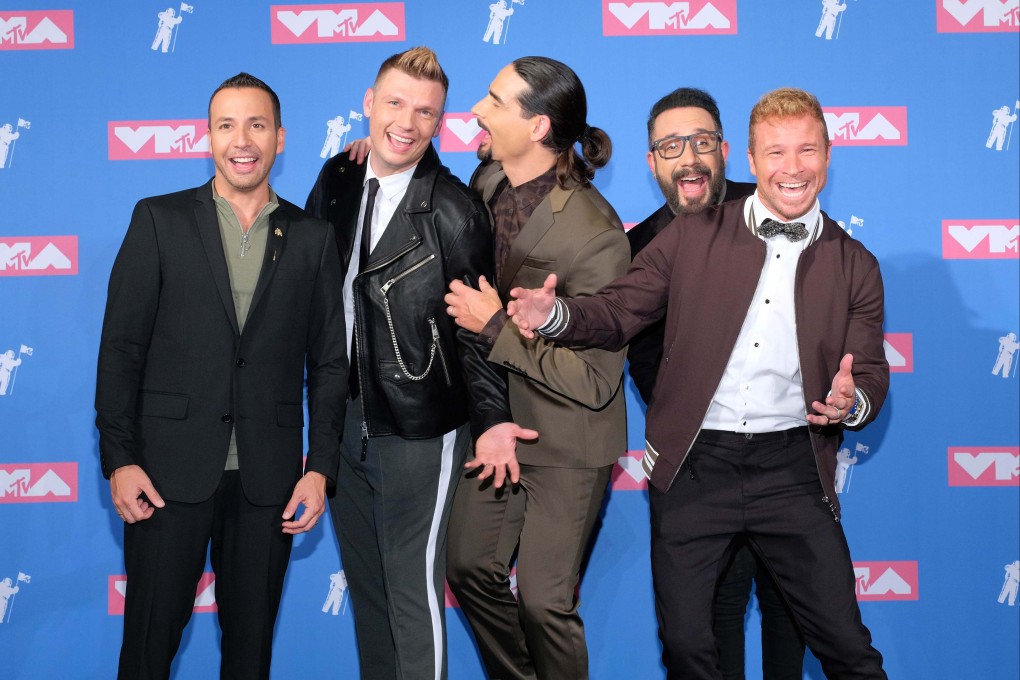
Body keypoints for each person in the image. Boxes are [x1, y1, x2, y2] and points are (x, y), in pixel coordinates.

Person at [506, 87, 890, 680]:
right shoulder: (689, 235)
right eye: (777, 153)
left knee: (847, 647)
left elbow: (867, 370)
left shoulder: (856, 263)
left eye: (807, 150)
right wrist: (555, 316)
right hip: (694, 467)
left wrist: (852, 402)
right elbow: (617, 312)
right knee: (688, 649)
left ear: (829, 157)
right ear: (753, 161)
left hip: (791, 468)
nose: (792, 168)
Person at [95, 73, 348, 680]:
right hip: (164, 475)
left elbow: (331, 363)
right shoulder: (159, 220)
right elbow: (121, 348)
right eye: (227, 124)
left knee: (249, 656)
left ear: (280, 138)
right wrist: (119, 459)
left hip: (267, 483)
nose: (243, 139)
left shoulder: (312, 239)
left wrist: (319, 469)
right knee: (147, 651)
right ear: (206, 137)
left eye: (257, 124)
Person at [305, 46, 526, 680]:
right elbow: (310, 286)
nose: (406, 122)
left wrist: (491, 420)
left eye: (424, 111)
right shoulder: (338, 179)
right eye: (395, 103)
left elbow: (477, 335)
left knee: (413, 593)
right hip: (343, 420)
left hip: (419, 430)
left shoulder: (455, 213)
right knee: (370, 596)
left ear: (440, 122)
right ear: (368, 105)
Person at [443, 56, 630, 680]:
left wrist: (496, 326)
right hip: (498, 427)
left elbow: (597, 382)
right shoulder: (487, 180)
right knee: (469, 567)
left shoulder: (595, 233)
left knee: (547, 602)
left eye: (495, 101)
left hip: (569, 440)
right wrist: (367, 158)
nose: (477, 109)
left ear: (540, 127)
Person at [630, 86, 804, 679]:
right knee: (706, 618)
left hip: (786, 459)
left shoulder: (778, 216)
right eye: (672, 146)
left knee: (792, 608)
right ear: (652, 161)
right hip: (696, 465)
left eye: (702, 141)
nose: (690, 158)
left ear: (727, 150)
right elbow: (648, 364)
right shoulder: (641, 246)